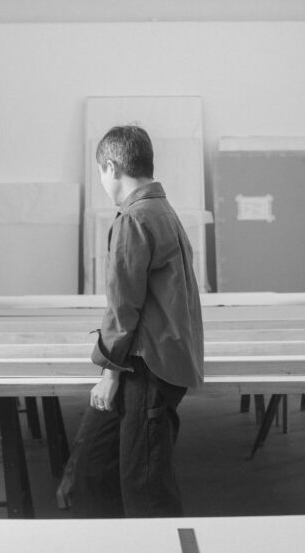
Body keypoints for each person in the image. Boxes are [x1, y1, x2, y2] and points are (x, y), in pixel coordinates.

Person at [69, 125, 204, 518]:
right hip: (160, 359)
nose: (102, 181)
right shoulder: (163, 211)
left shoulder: (134, 218)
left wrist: (109, 372)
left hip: (146, 365)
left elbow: (122, 306)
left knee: (145, 485)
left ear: (111, 167)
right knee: (97, 463)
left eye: (100, 172)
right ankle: (116, 548)